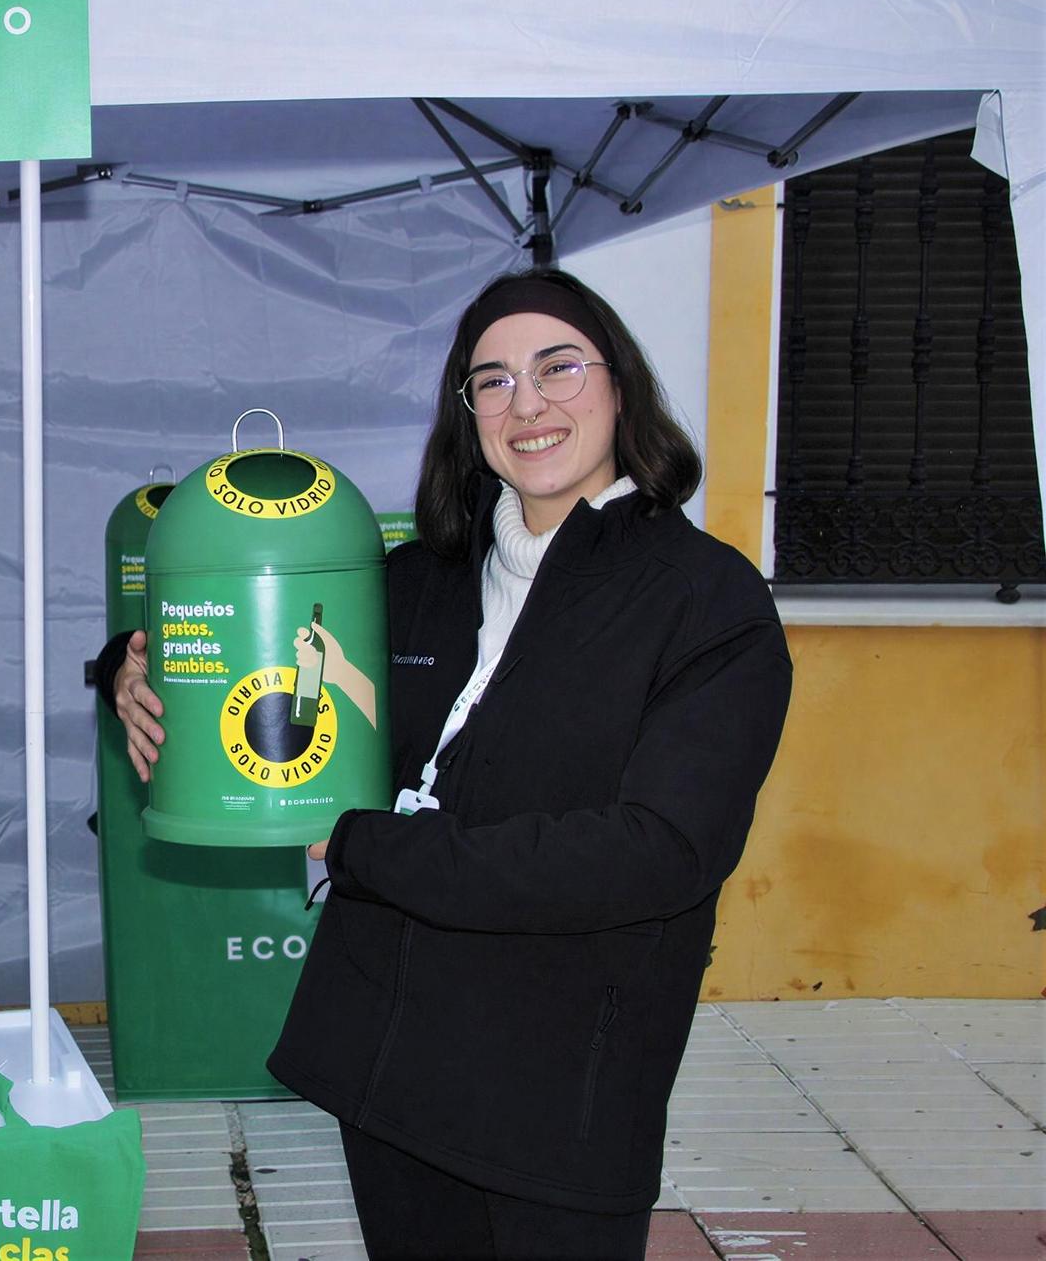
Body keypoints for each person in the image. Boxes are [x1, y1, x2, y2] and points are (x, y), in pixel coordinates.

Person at [100, 269, 791, 1258]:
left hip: (559, 1092)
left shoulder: (705, 602)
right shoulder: (416, 581)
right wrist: (127, 671)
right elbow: (251, 648)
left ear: (620, 386)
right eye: (492, 381)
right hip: (387, 1067)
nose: (527, 404)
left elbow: (657, 852)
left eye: (557, 367)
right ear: (468, 416)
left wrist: (366, 847)